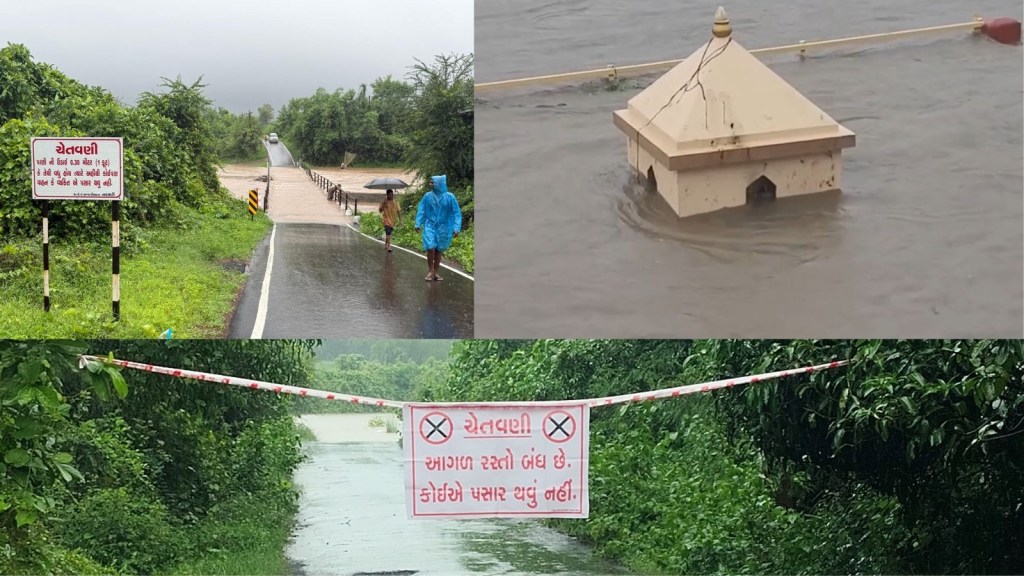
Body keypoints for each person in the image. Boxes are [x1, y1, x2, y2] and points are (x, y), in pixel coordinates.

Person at [414, 175, 461, 281]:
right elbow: (422, 210)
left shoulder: (450, 197)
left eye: (432, 182)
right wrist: (418, 223)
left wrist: (456, 227)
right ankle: (430, 270)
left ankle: (435, 272)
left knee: (439, 249)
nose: (430, 184)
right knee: (430, 248)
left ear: (439, 184)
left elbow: (456, 213)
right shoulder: (427, 196)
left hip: (444, 227)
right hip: (430, 225)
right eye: (430, 182)